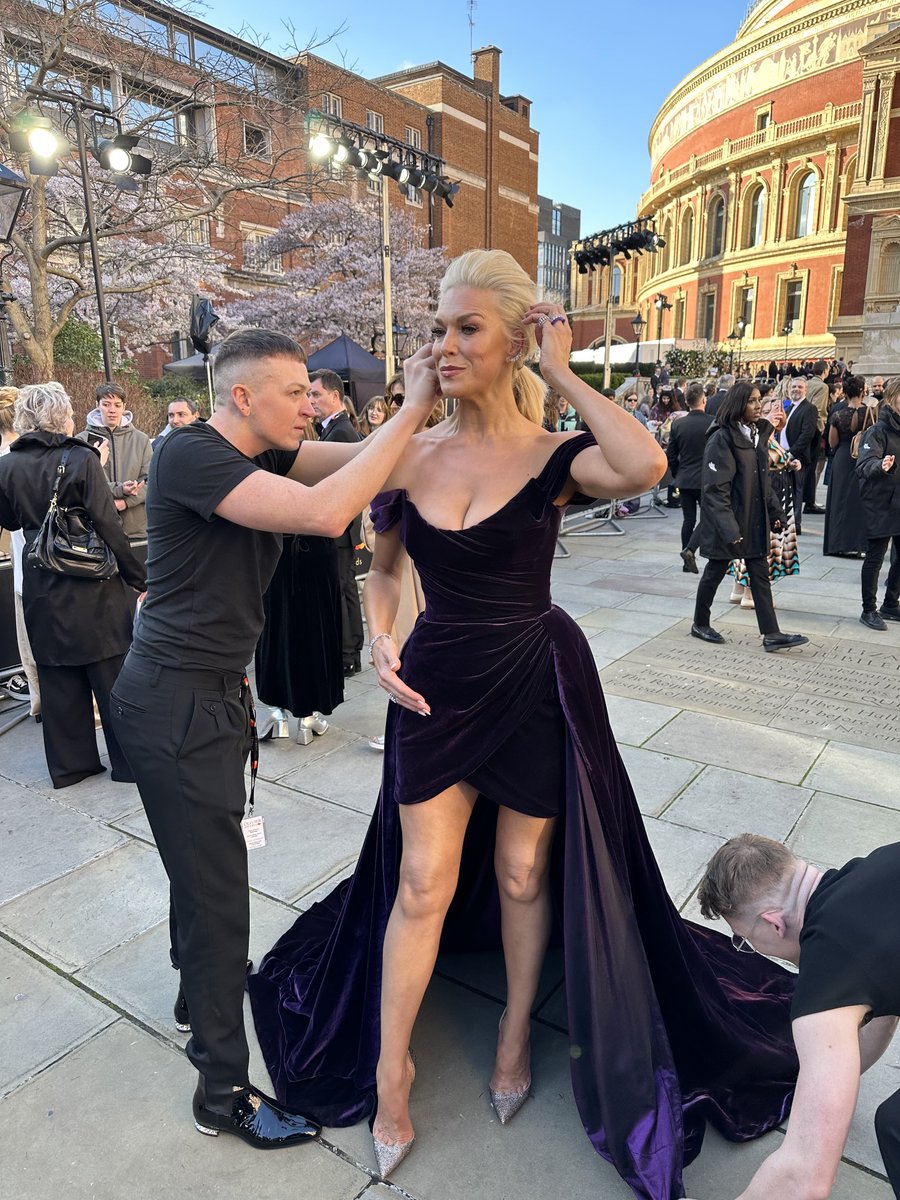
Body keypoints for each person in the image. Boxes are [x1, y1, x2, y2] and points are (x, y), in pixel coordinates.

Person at [249, 251, 800, 1197]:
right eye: (437, 327)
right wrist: (380, 635)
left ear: (512, 341)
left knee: (520, 872)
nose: (445, 344)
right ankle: (391, 1071)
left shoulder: (555, 459)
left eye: (467, 328)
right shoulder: (408, 450)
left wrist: (564, 369)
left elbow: (647, 462)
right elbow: (380, 566)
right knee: (420, 883)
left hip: (535, 676)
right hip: (434, 683)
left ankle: (513, 1039)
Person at [108, 327, 438, 1149]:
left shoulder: (261, 457)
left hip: (207, 701)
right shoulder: (193, 454)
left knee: (200, 871)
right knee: (221, 901)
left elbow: (369, 467)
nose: (313, 404)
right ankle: (220, 1091)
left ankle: (198, 995)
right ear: (243, 397)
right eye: (296, 393)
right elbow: (331, 515)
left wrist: (439, 426)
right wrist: (418, 403)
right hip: (177, 705)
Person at [697, 834, 900, 1200]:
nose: (749, 949)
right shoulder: (882, 862)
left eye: (743, 939)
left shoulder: (827, 974)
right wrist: (820, 1092)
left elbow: (805, 1178)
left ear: (773, 924)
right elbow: (886, 1002)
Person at [0, 383, 146, 787]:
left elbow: (10, 521)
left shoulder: (7, 466)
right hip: (93, 583)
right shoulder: (80, 458)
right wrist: (139, 577)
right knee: (111, 673)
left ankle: (71, 766)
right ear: (60, 415)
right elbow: (108, 523)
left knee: (57, 677)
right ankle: (129, 763)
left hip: (42, 582)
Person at [691, 381, 808, 652]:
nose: (758, 406)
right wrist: (730, 529)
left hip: (753, 519)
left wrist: (776, 513)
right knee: (715, 571)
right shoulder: (721, 438)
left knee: (760, 576)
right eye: (752, 401)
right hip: (729, 521)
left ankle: (772, 634)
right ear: (738, 405)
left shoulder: (754, 435)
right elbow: (715, 490)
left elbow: (761, 481)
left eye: (759, 400)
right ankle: (700, 623)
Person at [254, 419, 343, 745]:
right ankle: (307, 715)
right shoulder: (318, 463)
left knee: (275, 629)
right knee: (314, 632)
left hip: (274, 550)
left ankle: (277, 711)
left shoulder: (265, 459)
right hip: (315, 550)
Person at [309, 368, 365, 676]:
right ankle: (349, 650)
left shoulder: (341, 431)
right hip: (341, 525)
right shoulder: (333, 428)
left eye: (315, 394)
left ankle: (347, 653)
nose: (311, 400)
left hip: (340, 526)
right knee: (345, 589)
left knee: (342, 590)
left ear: (334, 396)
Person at [727, 393, 801, 607]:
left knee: (753, 542)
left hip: (773, 493)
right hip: (767, 496)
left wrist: (790, 462)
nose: (773, 415)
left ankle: (739, 588)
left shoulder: (763, 436)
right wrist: (787, 461)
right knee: (763, 544)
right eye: (766, 411)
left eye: (775, 411)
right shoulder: (756, 436)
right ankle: (751, 593)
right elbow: (766, 461)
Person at [79, 382, 153, 564]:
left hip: (136, 528)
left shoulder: (141, 439)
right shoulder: (81, 440)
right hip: (96, 530)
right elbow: (84, 484)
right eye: (106, 404)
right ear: (97, 406)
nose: (112, 410)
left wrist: (124, 503)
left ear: (124, 407)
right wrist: (120, 491)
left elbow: (151, 482)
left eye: (117, 405)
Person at [0, 387, 40, 713]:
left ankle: (39, 698)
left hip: (25, 560)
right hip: (48, 557)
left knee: (29, 635)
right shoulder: (32, 454)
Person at [855, 375, 900, 630]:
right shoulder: (878, 430)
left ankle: (891, 603)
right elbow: (864, 464)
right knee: (876, 556)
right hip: (880, 502)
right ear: (892, 399)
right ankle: (868, 609)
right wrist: (880, 466)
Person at [823, 374, 868, 558]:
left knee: (839, 499)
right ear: (863, 391)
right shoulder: (871, 413)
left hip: (842, 457)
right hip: (863, 457)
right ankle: (858, 544)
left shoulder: (837, 413)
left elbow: (832, 443)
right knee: (858, 501)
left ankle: (837, 543)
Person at [666, 381, 708, 568]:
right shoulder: (712, 422)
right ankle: (690, 550)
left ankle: (687, 555)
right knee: (708, 517)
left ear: (686, 402)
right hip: (706, 479)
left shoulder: (678, 424)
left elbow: (671, 455)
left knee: (688, 519)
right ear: (703, 400)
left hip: (684, 478)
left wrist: (677, 474)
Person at [781, 377, 822, 528]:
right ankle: (786, 520)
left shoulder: (809, 408)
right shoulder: (789, 407)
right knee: (786, 491)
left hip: (797, 457)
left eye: (799, 387)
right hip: (784, 454)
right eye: (793, 387)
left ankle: (795, 524)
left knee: (796, 491)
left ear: (806, 390)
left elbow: (807, 434)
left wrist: (792, 453)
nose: (796, 390)